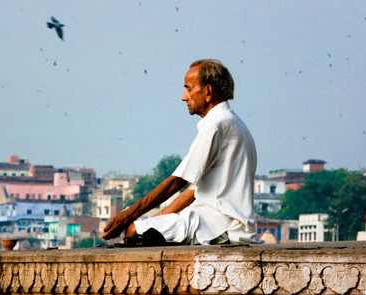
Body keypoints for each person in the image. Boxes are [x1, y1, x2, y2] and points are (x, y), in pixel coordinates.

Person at [103, 59, 262, 247]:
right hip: (218, 221)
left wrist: (127, 215)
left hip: (218, 224)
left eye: (188, 88)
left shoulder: (216, 124)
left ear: (208, 92)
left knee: (134, 230)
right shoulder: (234, 123)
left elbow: (178, 181)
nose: (183, 97)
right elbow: (193, 190)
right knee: (142, 228)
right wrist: (160, 217)